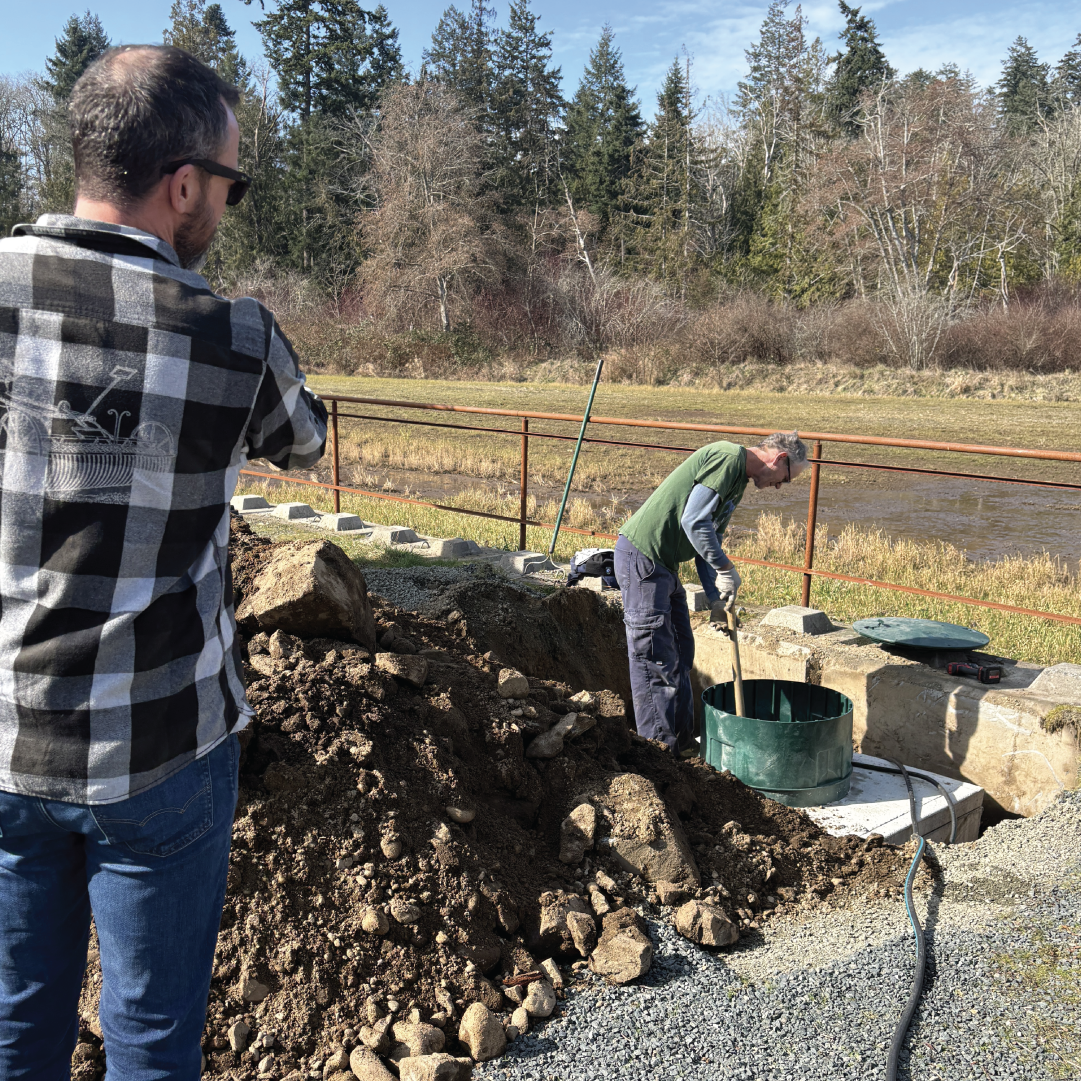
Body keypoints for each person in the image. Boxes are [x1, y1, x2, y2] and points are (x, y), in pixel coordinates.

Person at [0, 46, 327, 1079]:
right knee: (150, 1039)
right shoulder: (236, 336)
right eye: (229, 182)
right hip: (161, 749)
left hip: (4, 731)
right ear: (183, 183)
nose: (225, 204)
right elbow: (304, 439)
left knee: (14, 1029)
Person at [615, 432, 809, 756]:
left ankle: (682, 746)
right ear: (779, 460)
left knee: (681, 650)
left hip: (663, 566)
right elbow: (694, 521)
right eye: (784, 480)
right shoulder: (727, 458)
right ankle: (658, 754)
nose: (778, 487)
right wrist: (724, 567)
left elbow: (709, 540)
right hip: (643, 560)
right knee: (655, 659)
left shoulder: (738, 481)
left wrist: (716, 598)